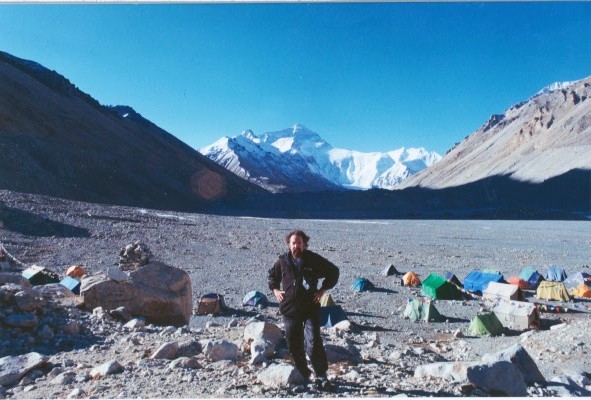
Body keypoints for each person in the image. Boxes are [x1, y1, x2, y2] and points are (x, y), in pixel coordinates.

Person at [267, 229, 339, 391]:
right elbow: (272, 277)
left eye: (299, 243)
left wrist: (323, 289)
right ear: (289, 244)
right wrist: (275, 290)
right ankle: (305, 373)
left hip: (309, 310)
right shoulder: (282, 261)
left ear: (304, 244)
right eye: (293, 243)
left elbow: (333, 272)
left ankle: (321, 375)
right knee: (293, 345)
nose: (296, 246)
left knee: (313, 342)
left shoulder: (313, 259)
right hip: (289, 310)